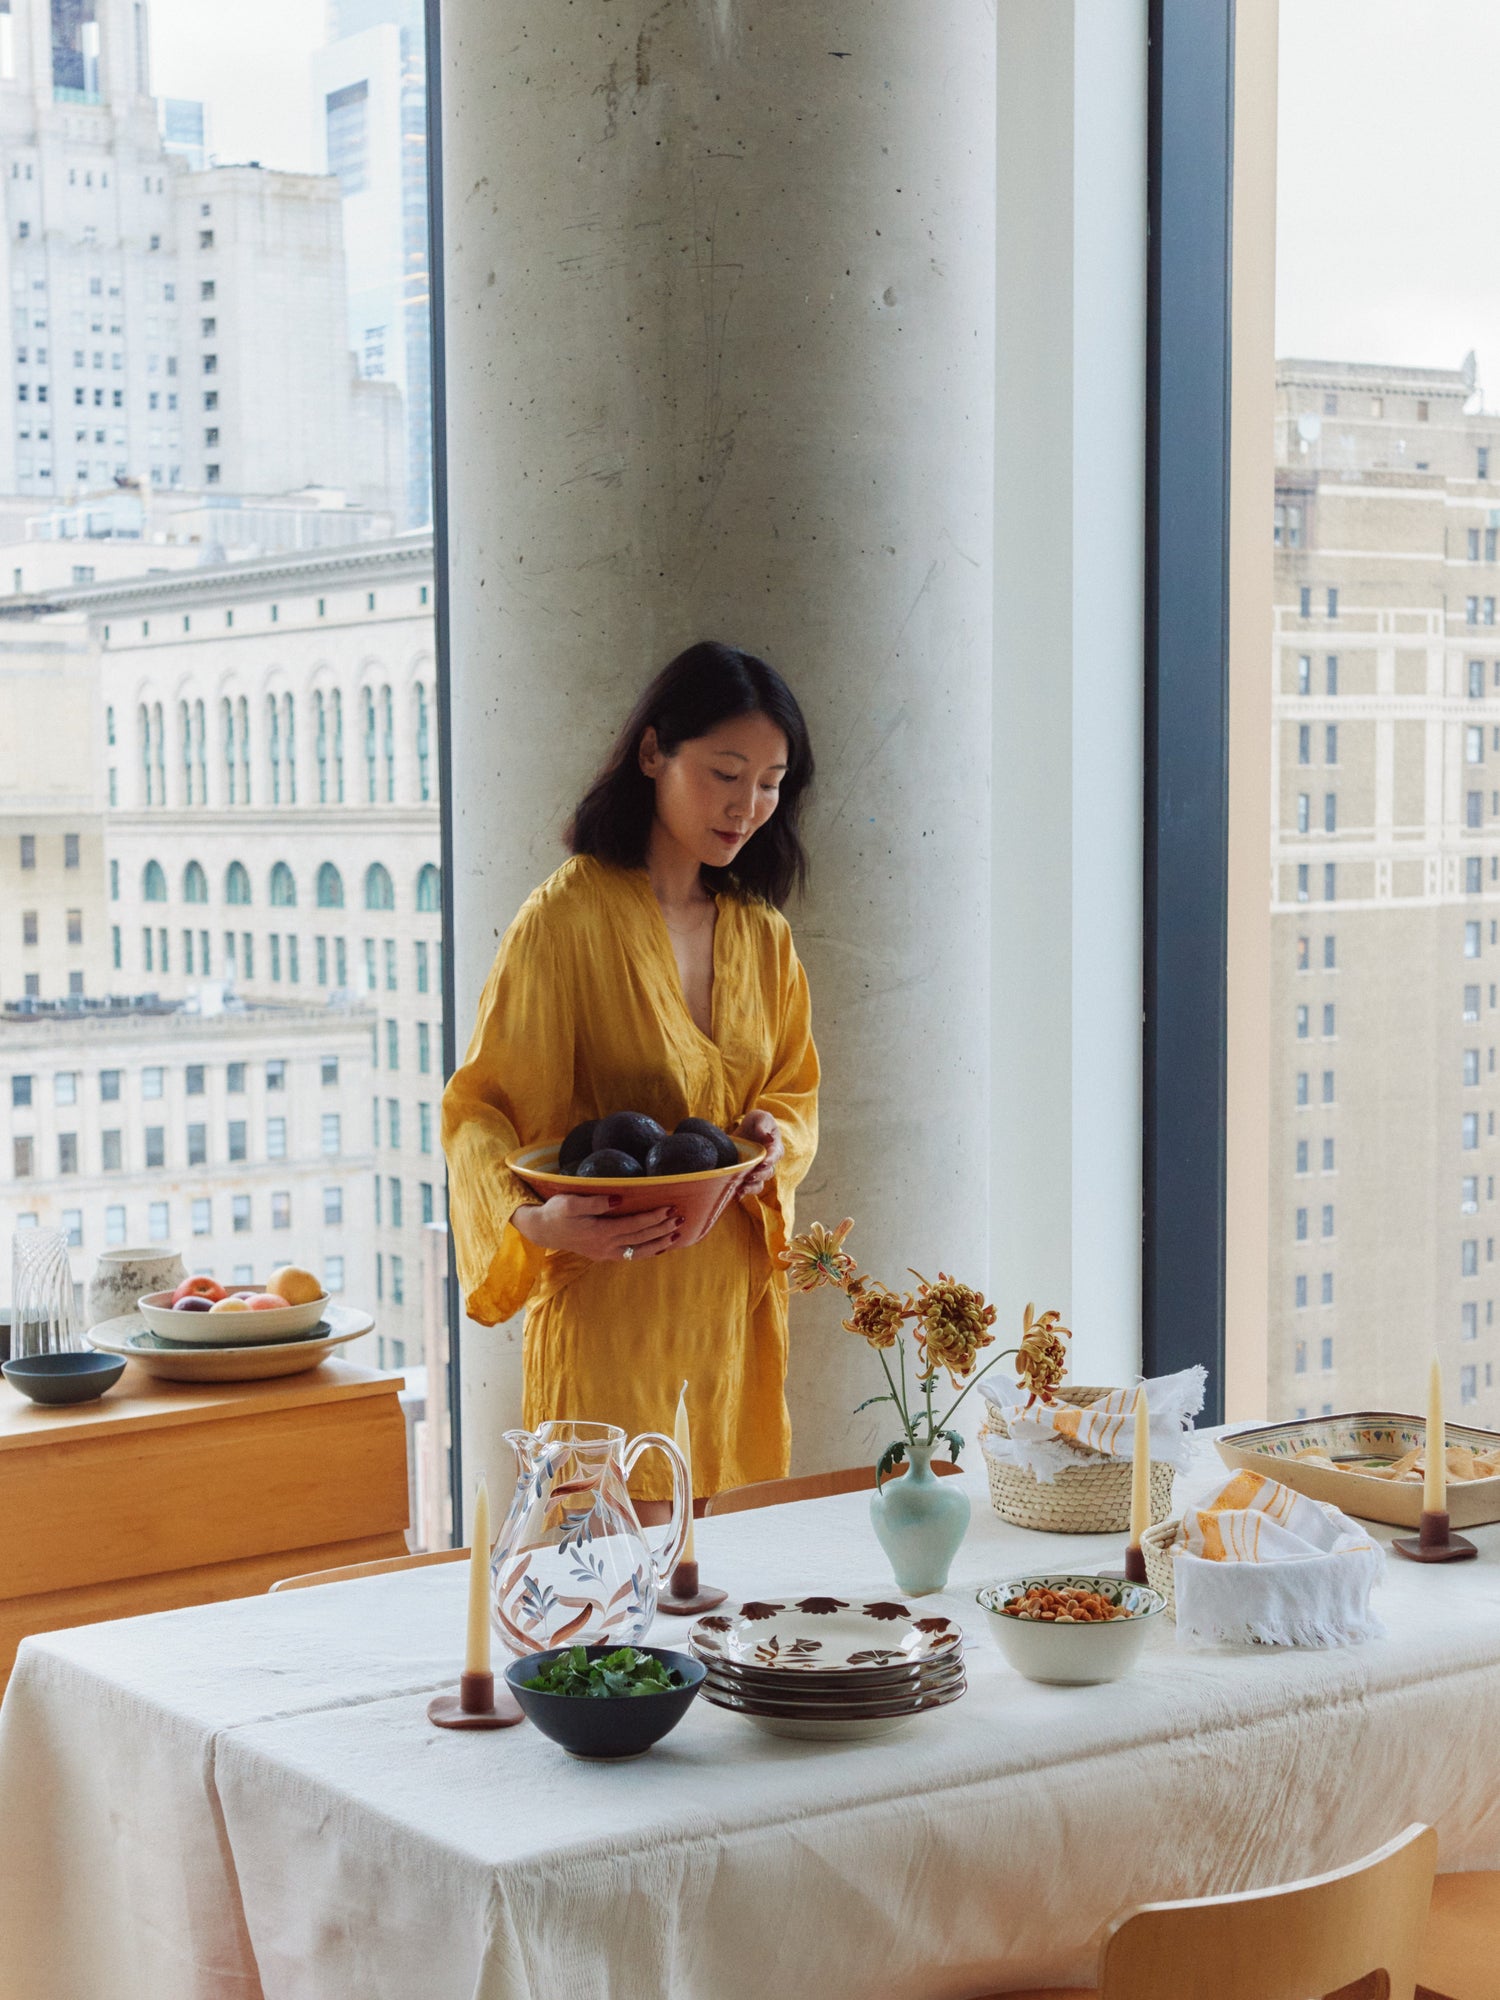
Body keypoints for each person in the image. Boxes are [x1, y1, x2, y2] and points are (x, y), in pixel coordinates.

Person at [442, 640, 820, 1509]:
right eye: (726, 773)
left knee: (726, 1586)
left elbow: (793, 1093)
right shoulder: (566, 918)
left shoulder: (763, 934)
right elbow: (479, 1112)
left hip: (727, 1314)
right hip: (612, 1311)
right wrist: (534, 1224)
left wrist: (774, 1139)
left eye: (770, 782)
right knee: (612, 1599)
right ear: (653, 754)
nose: (748, 805)